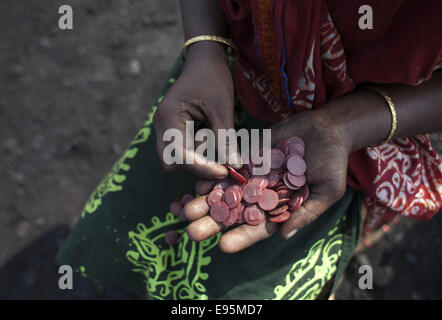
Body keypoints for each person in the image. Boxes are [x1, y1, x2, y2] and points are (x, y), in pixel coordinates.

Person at [57, 0, 442, 299]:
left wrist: (346, 127)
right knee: (131, 231)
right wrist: (204, 48)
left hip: (360, 146)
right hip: (222, 85)